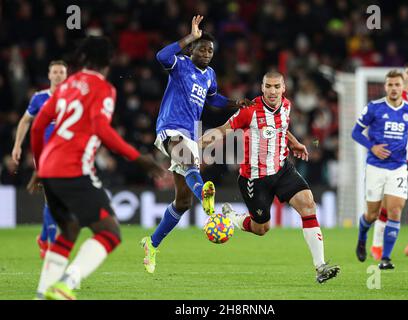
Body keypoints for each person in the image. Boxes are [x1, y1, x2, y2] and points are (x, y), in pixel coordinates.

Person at [30, 36, 163, 300]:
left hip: (49, 169)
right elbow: (101, 129)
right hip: (74, 170)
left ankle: (42, 293)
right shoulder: (104, 88)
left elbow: (37, 127)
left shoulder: (66, 86)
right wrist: (137, 157)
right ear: (108, 61)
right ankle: (66, 283)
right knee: (110, 233)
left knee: (69, 229)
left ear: (83, 59)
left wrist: (38, 165)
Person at [200, 71, 340, 284]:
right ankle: (232, 217)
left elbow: (281, 127)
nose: (272, 91)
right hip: (254, 179)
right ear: (262, 88)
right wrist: (195, 145)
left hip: (283, 169)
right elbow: (223, 130)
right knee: (261, 228)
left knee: (308, 204)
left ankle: (320, 267)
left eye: (277, 87)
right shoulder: (249, 111)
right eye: (268, 86)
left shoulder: (286, 105)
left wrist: (294, 143)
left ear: (284, 88)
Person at [140, 15, 252, 274]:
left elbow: (214, 99)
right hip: (169, 128)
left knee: (182, 203)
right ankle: (206, 198)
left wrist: (236, 103)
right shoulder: (179, 64)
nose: (207, 53)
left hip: (191, 135)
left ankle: (152, 243)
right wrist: (190, 36)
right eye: (202, 48)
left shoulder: (210, 75)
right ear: (192, 50)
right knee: (189, 161)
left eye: (210, 50)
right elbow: (160, 56)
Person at [352, 70, 408, 270]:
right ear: (385, 87)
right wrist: (372, 146)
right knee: (372, 215)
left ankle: (386, 257)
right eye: (390, 85)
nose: (393, 88)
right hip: (375, 167)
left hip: (399, 168)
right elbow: (355, 133)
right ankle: (362, 236)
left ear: (403, 87)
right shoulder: (374, 108)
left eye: (397, 85)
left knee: (394, 210)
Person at [370, 62, 408, 262]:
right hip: (398, 160)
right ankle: (376, 246)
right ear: (404, 77)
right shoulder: (396, 99)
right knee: (390, 208)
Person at [11, 60, 67, 259]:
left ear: (66, 75)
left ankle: (44, 238)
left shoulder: (73, 98)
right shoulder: (39, 98)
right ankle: (51, 244)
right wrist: (17, 145)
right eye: (55, 72)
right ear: (49, 75)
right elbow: (25, 121)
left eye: (62, 71)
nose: (58, 75)